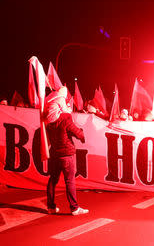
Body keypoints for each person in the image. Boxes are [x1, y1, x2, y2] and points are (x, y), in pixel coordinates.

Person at [44, 86, 89, 216]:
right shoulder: (65, 118)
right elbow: (76, 132)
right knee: (69, 181)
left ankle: (51, 207)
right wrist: (82, 134)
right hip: (66, 154)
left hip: (54, 154)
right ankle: (74, 208)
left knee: (53, 179)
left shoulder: (48, 120)